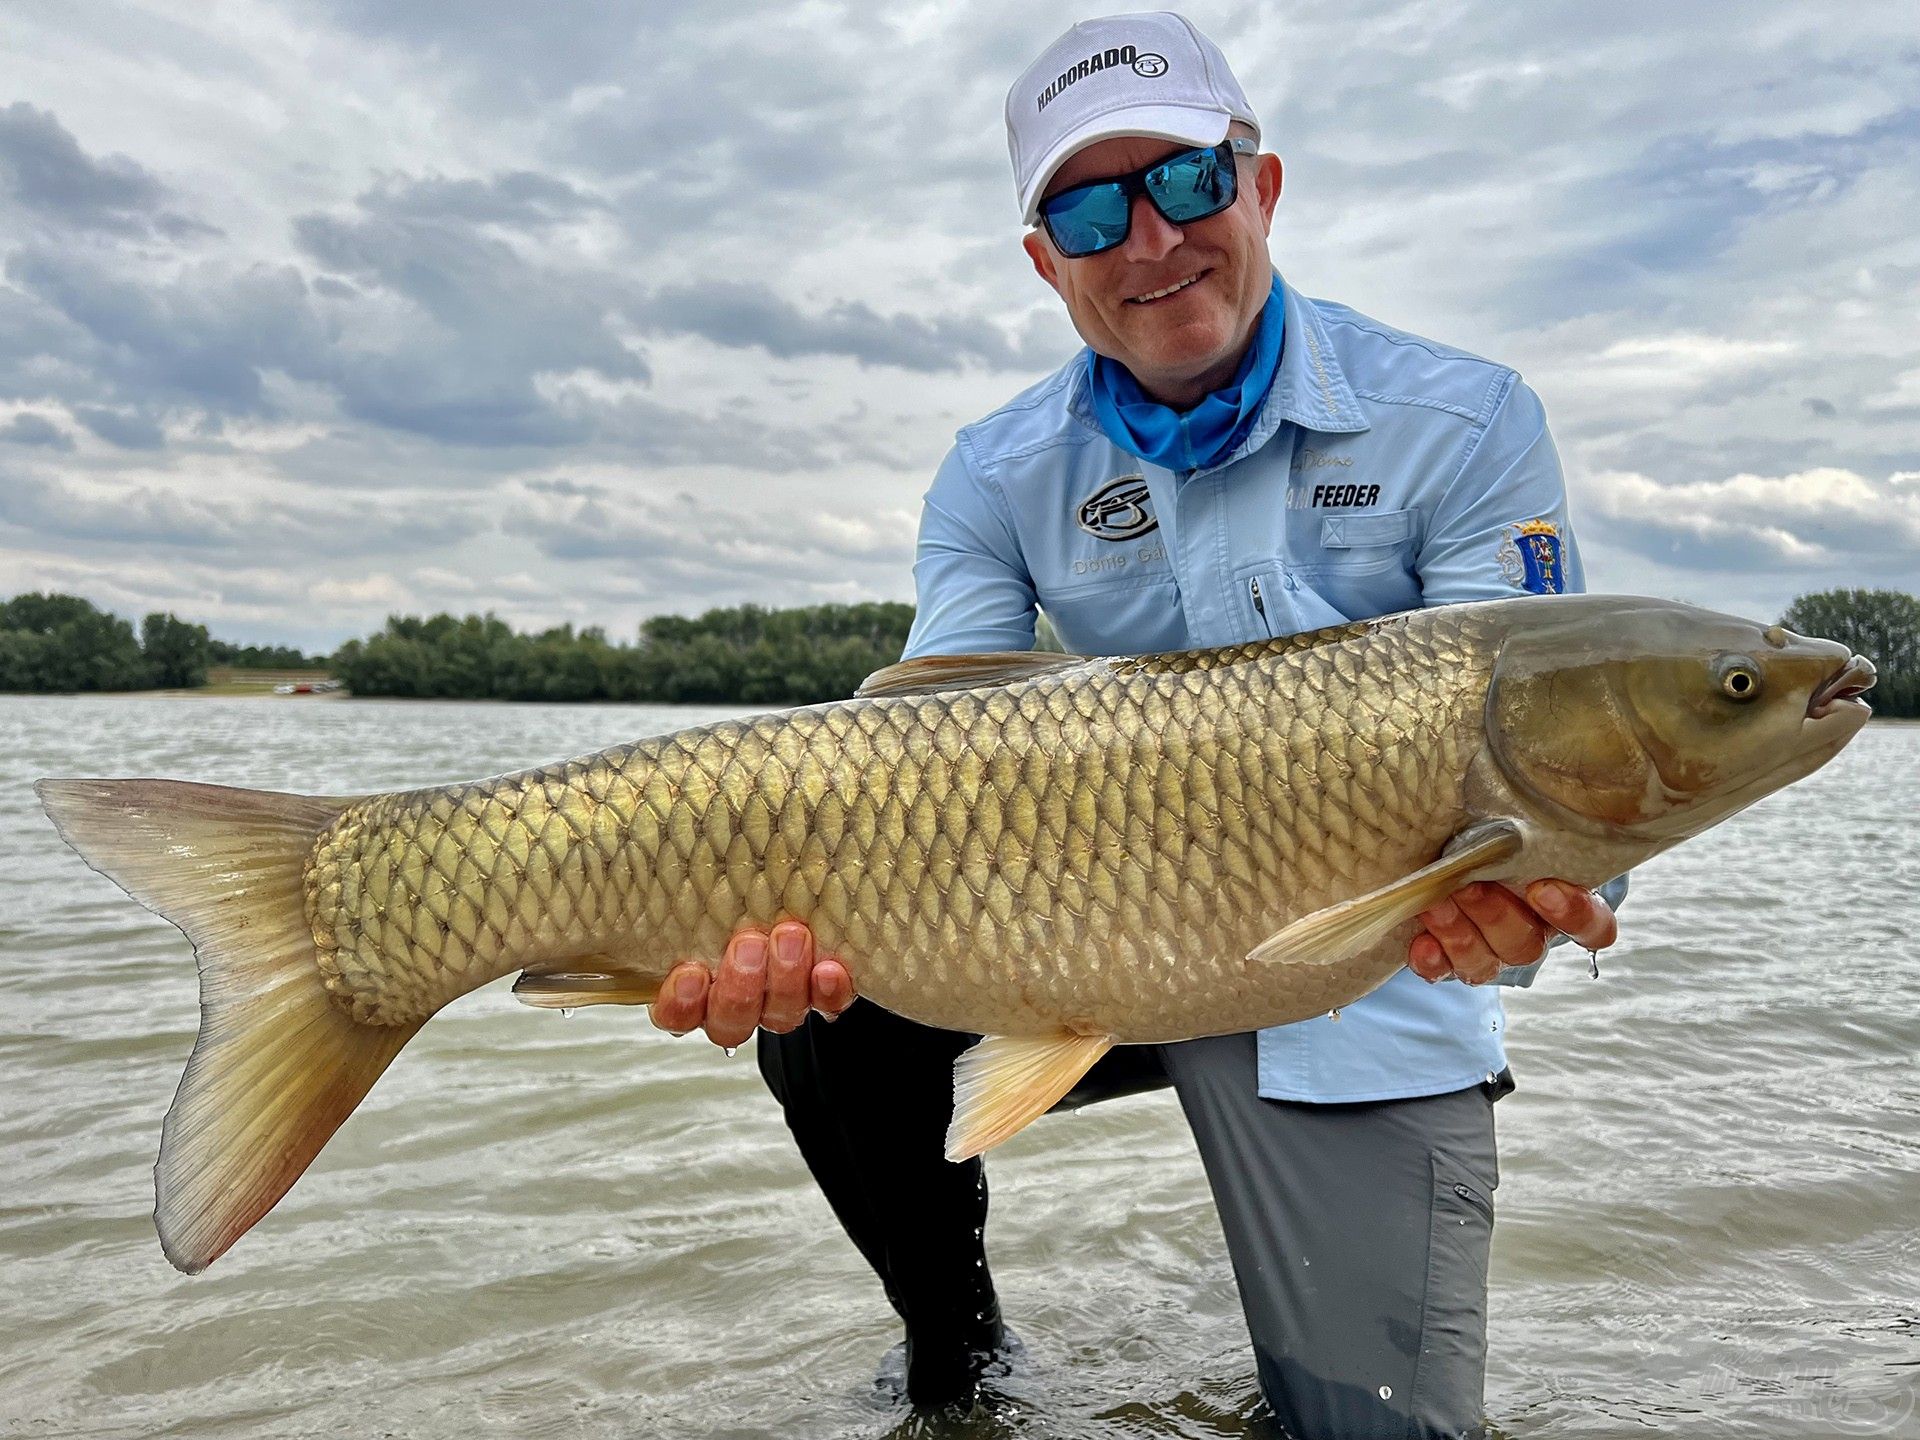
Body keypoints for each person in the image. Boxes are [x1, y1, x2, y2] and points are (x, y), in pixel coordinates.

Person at [649, 13, 1625, 1436]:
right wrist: (757, 916)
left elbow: (1553, 755)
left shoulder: (1466, 421)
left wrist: (1552, 894)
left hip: (1356, 970)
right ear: (1045, 260)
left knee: (1373, 1429)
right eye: (1091, 208)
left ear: (1263, 185)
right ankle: (959, 1362)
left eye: (1184, 182)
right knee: (834, 1014)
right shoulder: (993, 475)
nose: (1151, 240)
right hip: (1090, 939)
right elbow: (925, 756)